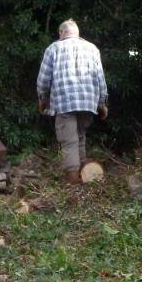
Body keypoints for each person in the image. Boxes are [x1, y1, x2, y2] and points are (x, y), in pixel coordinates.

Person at [37, 19, 108, 184]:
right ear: (77, 33)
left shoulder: (53, 48)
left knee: (69, 143)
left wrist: (43, 100)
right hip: (88, 103)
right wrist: (102, 104)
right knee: (80, 137)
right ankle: (84, 178)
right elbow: (100, 80)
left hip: (64, 102)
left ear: (62, 33)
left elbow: (43, 80)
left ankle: (73, 187)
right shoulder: (92, 49)